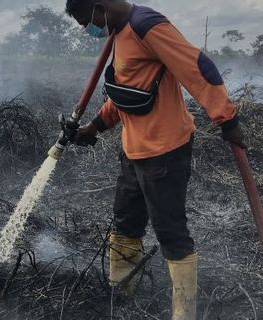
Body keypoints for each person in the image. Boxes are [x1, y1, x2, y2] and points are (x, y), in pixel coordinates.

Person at [64, 1, 246, 319]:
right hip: (133, 150)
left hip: (165, 150)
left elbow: (198, 68)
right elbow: (126, 92)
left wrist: (227, 120)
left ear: (99, 7)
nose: (86, 29)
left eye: (85, 21)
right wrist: (93, 128)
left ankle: (184, 313)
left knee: (171, 232)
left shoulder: (147, 25)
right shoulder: (118, 34)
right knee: (125, 223)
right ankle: (120, 294)